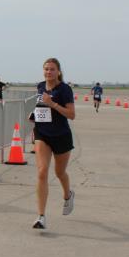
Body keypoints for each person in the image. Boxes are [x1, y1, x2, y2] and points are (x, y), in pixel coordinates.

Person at [30, 57, 76, 230]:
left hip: (61, 135)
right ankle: (41, 216)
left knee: (59, 172)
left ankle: (68, 195)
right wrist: (34, 115)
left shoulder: (65, 89)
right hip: (42, 133)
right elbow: (41, 107)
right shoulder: (41, 86)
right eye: (46, 69)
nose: (48, 72)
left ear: (58, 72)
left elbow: (71, 114)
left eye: (52, 69)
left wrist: (53, 104)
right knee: (42, 172)